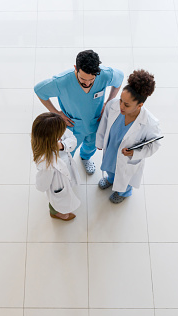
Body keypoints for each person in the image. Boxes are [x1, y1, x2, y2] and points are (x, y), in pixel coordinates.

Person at [34, 50, 124, 175]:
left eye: (91, 80)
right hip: (73, 125)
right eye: (83, 79)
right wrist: (56, 113)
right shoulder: (62, 82)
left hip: (95, 121)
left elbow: (119, 80)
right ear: (76, 68)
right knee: (67, 150)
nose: (87, 83)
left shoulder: (105, 75)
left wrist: (108, 103)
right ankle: (67, 165)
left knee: (91, 145)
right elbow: (39, 90)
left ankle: (85, 158)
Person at [96, 69, 162, 203]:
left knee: (125, 178)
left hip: (128, 158)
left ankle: (124, 192)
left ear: (140, 105)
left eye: (126, 104)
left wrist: (135, 153)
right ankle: (111, 179)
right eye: (121, 100)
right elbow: (104, 124)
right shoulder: (112, 106)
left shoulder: (150, 123)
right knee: (111, 168)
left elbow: (154, 145)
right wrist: (100, 141)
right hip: (111, 149)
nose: (121, 106)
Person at [32, 112, 81, 221]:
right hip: (57, 186)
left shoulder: (58, 135)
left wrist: (62, 145)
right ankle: (55, 213)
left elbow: (72, 140)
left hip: (66, 173)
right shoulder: (46, 163)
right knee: (57, 202)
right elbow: (41, 186)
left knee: (64, 197)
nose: (63, 133)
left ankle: (58, 209)